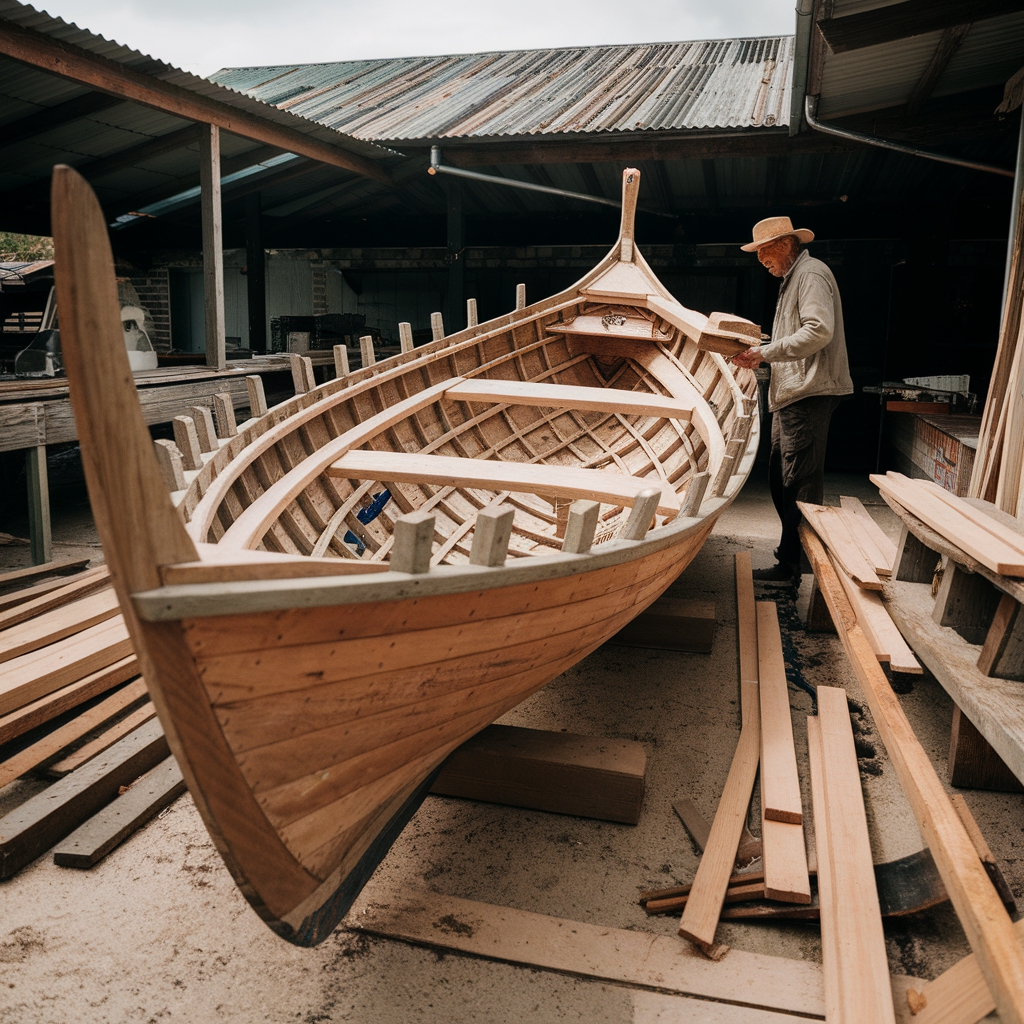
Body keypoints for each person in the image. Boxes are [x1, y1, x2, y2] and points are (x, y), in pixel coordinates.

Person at [732, 216, 853, 582]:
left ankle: (795, 564)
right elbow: (794, 338)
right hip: (792, 393)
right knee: (778, 475)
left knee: (800, 481)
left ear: (785, 245)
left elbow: (818, 331)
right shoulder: (793, 277)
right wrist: (757, 351)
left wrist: (765, 352)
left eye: (764, 253)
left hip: (809, 390)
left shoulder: (811, 274)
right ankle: (790, 558)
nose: (761, 261)